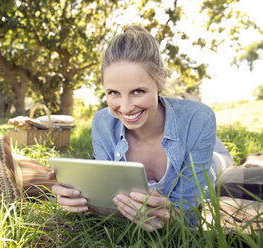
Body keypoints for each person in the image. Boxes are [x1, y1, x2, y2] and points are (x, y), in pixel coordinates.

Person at [51, 25, 233, 231]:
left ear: (161, 79)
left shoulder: (201, 119)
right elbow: (109, 201)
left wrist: (173, 216)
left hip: (206, 153)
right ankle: (176, 100)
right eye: (113, 92)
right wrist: (82, 201)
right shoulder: (102, 122)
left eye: (138, 91)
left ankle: (185, 102)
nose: (126, 107)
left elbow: (190, 215)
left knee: (222, 162)